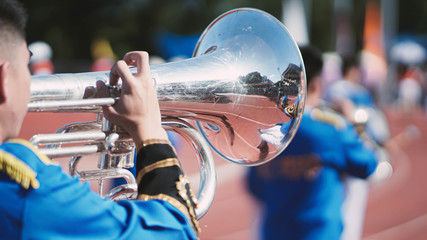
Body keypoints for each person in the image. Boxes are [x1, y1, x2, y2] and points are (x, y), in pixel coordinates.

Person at [0, 0, 198, 239]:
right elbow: (173, 233)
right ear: (4, 79)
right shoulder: (25, 191)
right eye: (26, 65)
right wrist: (150, 130)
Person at [246, 45, 378, 240]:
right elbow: (368, 164)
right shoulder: (332, 128)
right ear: (316, 85)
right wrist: (355, 124)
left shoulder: (266, 132)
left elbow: (253, 185)